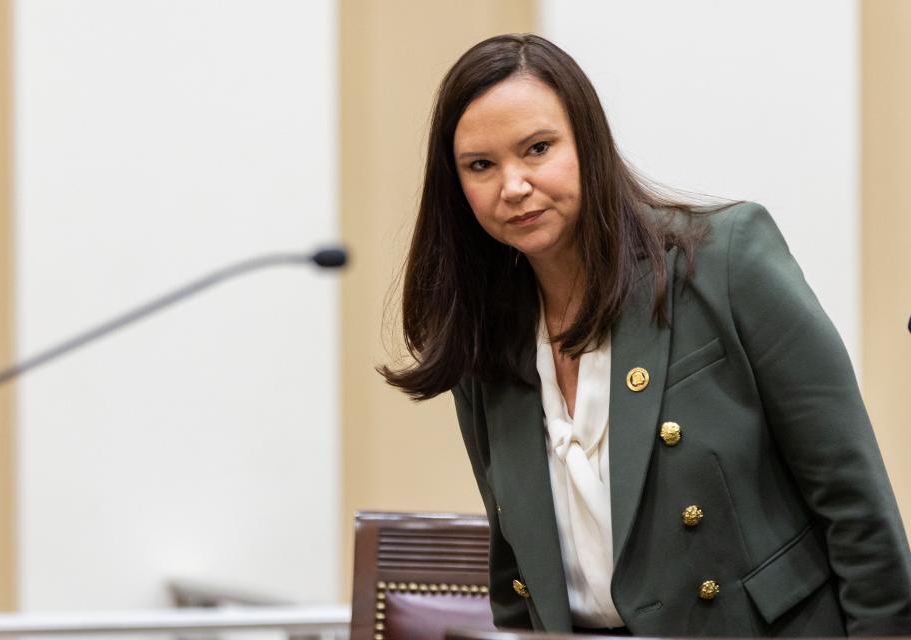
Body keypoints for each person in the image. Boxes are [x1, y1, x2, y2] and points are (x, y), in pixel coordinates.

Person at [380, 33, 911, 636]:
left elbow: (856, 508)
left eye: (537, 148)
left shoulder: (726, 261)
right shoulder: (484, 338)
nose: (514, 185)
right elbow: (515, 576)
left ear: (588, 141)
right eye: (481, 165)